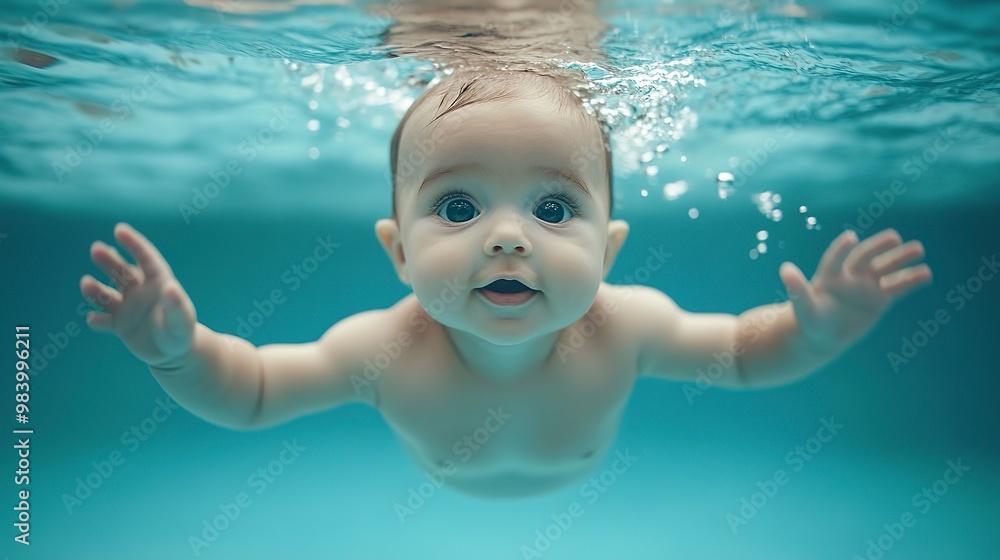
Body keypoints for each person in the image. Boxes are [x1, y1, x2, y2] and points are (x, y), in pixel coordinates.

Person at [81, 2, 932, 498]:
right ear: (399, 254)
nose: (508, 233)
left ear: (610, 250)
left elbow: (744, 357)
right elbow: (257, 391)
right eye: (457, 204)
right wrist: (178, 353)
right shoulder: (383, 349)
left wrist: (817, 330)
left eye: (556, 206)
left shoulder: (626, 326)